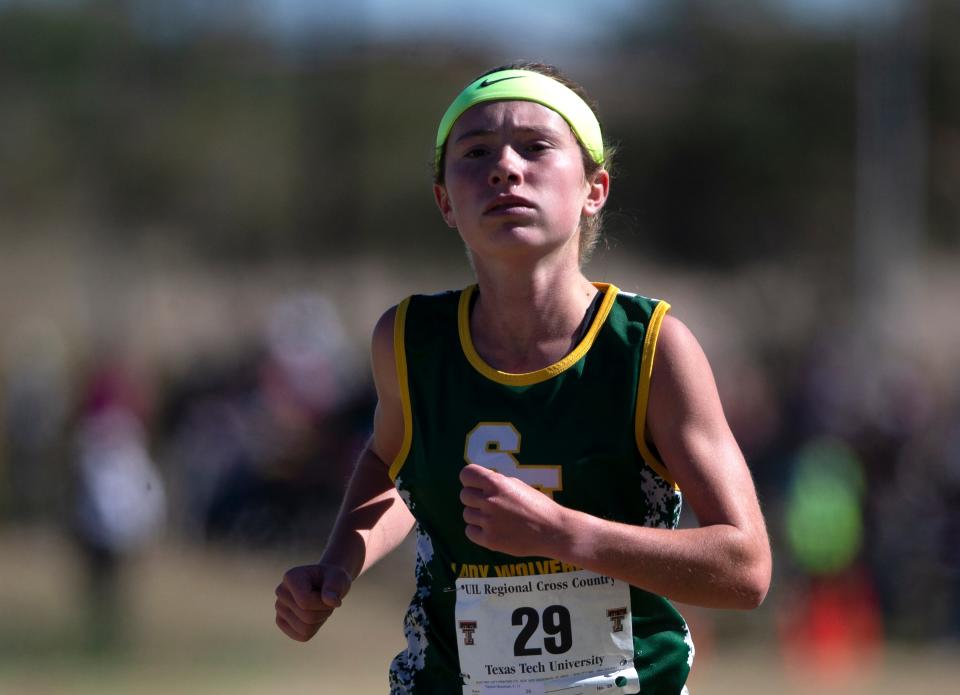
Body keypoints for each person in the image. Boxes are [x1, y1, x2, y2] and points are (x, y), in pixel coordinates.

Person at [274, 62, 772, 694]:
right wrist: (337, 567)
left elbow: (745, 569)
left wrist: (564, 534)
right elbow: (395, 465)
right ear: (445, 201)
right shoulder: (408, 341)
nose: (505, 167)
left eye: (536, 147)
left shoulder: (650, 347)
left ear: (595, 189)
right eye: (476, 151)